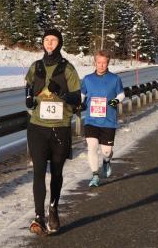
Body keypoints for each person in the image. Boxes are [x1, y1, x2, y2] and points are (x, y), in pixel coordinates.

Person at [24, 28, 81, 235]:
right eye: (46, 40)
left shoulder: (68, 69)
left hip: (60, 128)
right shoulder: (36, 67)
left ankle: (53, 208)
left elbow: (77, 99)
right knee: (38, 171)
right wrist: (28, 98)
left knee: (56, 173)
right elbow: (28, 86)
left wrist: (62, 93)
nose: (49, 43)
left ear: (59, 43)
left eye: (53, 40)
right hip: (37, 127)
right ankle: (38, 217)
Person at [80, 50, 125, 187]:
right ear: (95, 63)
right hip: (91, 120)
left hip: (108, 120)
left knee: (107, 151)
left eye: (104, 63)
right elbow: (82, 94)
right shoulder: (87, 79)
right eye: (99, 62)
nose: (101, 65)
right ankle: (94, 175)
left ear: (108, 63)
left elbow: (121, 94)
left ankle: (106, 161)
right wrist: (80, 103)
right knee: (92, 146)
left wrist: (114, 102)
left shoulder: (115, 79)